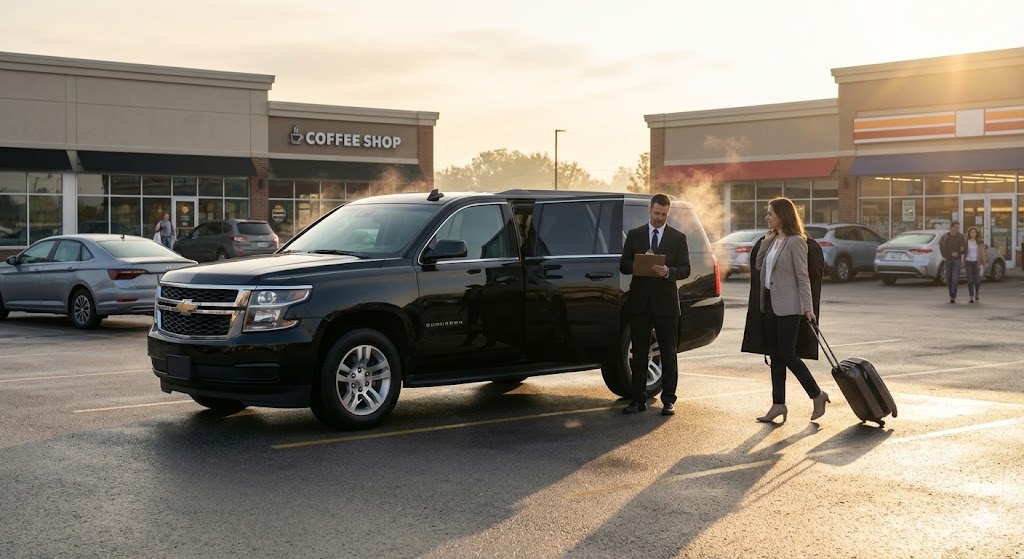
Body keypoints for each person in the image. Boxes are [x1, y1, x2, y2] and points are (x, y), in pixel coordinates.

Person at [747, 197, 829, 424]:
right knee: (776, 357)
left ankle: (817, 394)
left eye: (770, 213)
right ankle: (778, 404)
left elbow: (803, 277)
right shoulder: (774, 239)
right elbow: (759, 265)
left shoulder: (796, 241)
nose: (767, 217)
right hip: (770, 305)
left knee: (788, 354)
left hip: (789, 307)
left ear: (782, 215)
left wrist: (808, 308)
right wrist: (766, 240)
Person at [618, 193, 691, 416]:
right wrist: (639, 263)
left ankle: (669, 400)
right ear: (649, 210)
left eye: (664, 214)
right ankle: (637, 400)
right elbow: (623, 265)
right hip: (640, 302)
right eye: (657, 213)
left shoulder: (678, 237)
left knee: (668, 352)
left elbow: (685, 269)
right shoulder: (635, 234)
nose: (660, 218)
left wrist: (668, 271)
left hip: (666, 304)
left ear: (668, 213)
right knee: (639, 353)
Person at [939, 221, 967, 303]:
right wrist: (950, 254)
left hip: (957, 260)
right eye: (955, 227)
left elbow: (964, 248)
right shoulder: (946, 236)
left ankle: (953, 296)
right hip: (948, 260)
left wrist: (961, 251)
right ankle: (951, 292)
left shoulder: (961, 237)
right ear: (951, 227)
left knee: (955, 278)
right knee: (948, 279)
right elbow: (942, 248)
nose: (957, 229)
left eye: (958, 227)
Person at [964, 226, 987, 303]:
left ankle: (977, 293)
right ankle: (971, 296)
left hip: (977, 263)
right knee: (970, 280)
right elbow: (963, 251)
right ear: (969, 233)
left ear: (976, 233)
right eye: (971, 232)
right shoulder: (966, 241)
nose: (973, 234)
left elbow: (983, 252)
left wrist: (984, 262)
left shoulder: (980, 242)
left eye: (974, 232)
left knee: (977, 281)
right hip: (968, 262)